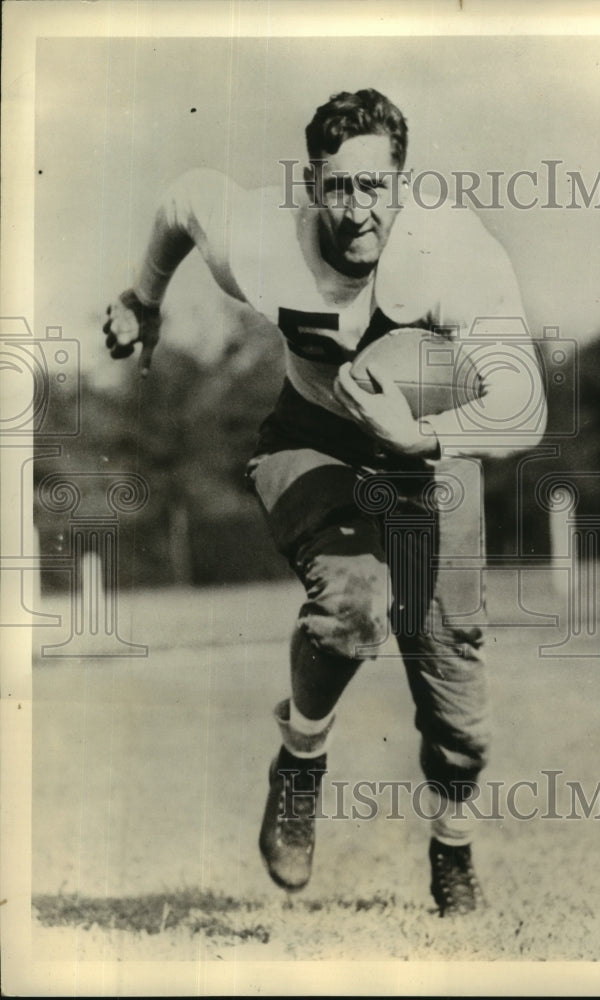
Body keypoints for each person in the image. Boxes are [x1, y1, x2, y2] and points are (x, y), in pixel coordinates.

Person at [103, 88, 547, 917]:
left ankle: (452, 852)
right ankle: (300, 764)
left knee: (457, 694)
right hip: (313, 435)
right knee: (351, 605)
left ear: (402, 184)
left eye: (374, 186)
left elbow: (526, 410)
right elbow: (183, 199)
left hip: (428, 452)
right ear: (312, 186)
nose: (357, 209)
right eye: (338, 188)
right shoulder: (268, 246)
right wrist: (144, 301)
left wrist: (422, 439)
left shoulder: (455, 255)